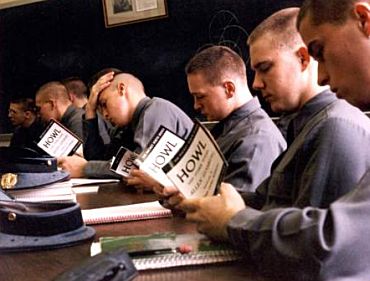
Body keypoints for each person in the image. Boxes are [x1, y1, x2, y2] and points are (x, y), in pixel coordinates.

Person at [166, 4, 370, 280]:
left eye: (319, 52)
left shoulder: (337, 125)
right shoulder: (305, 122)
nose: (256, 84)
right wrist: (205, 204)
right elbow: (271, 202)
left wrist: (231, 221)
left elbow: (315, 253)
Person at [183, 45, 286, 193]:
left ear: (229, 89)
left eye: (200, 97)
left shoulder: (256, 139)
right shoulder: (228, 128)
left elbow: (234, 210)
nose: (196, 106)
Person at [58, 72, 194, 179]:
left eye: (104, 104)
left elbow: (138, 169)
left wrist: (85, 168)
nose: (104, 114)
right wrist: (90, 111)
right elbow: (98, 158)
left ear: (121, 89)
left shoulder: (155, 110)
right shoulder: (129, 124)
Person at [62, 76, 113, 157]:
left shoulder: (90, 116)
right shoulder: (90, 113)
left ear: (70, 97)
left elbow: (101, 153)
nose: (106, 114)